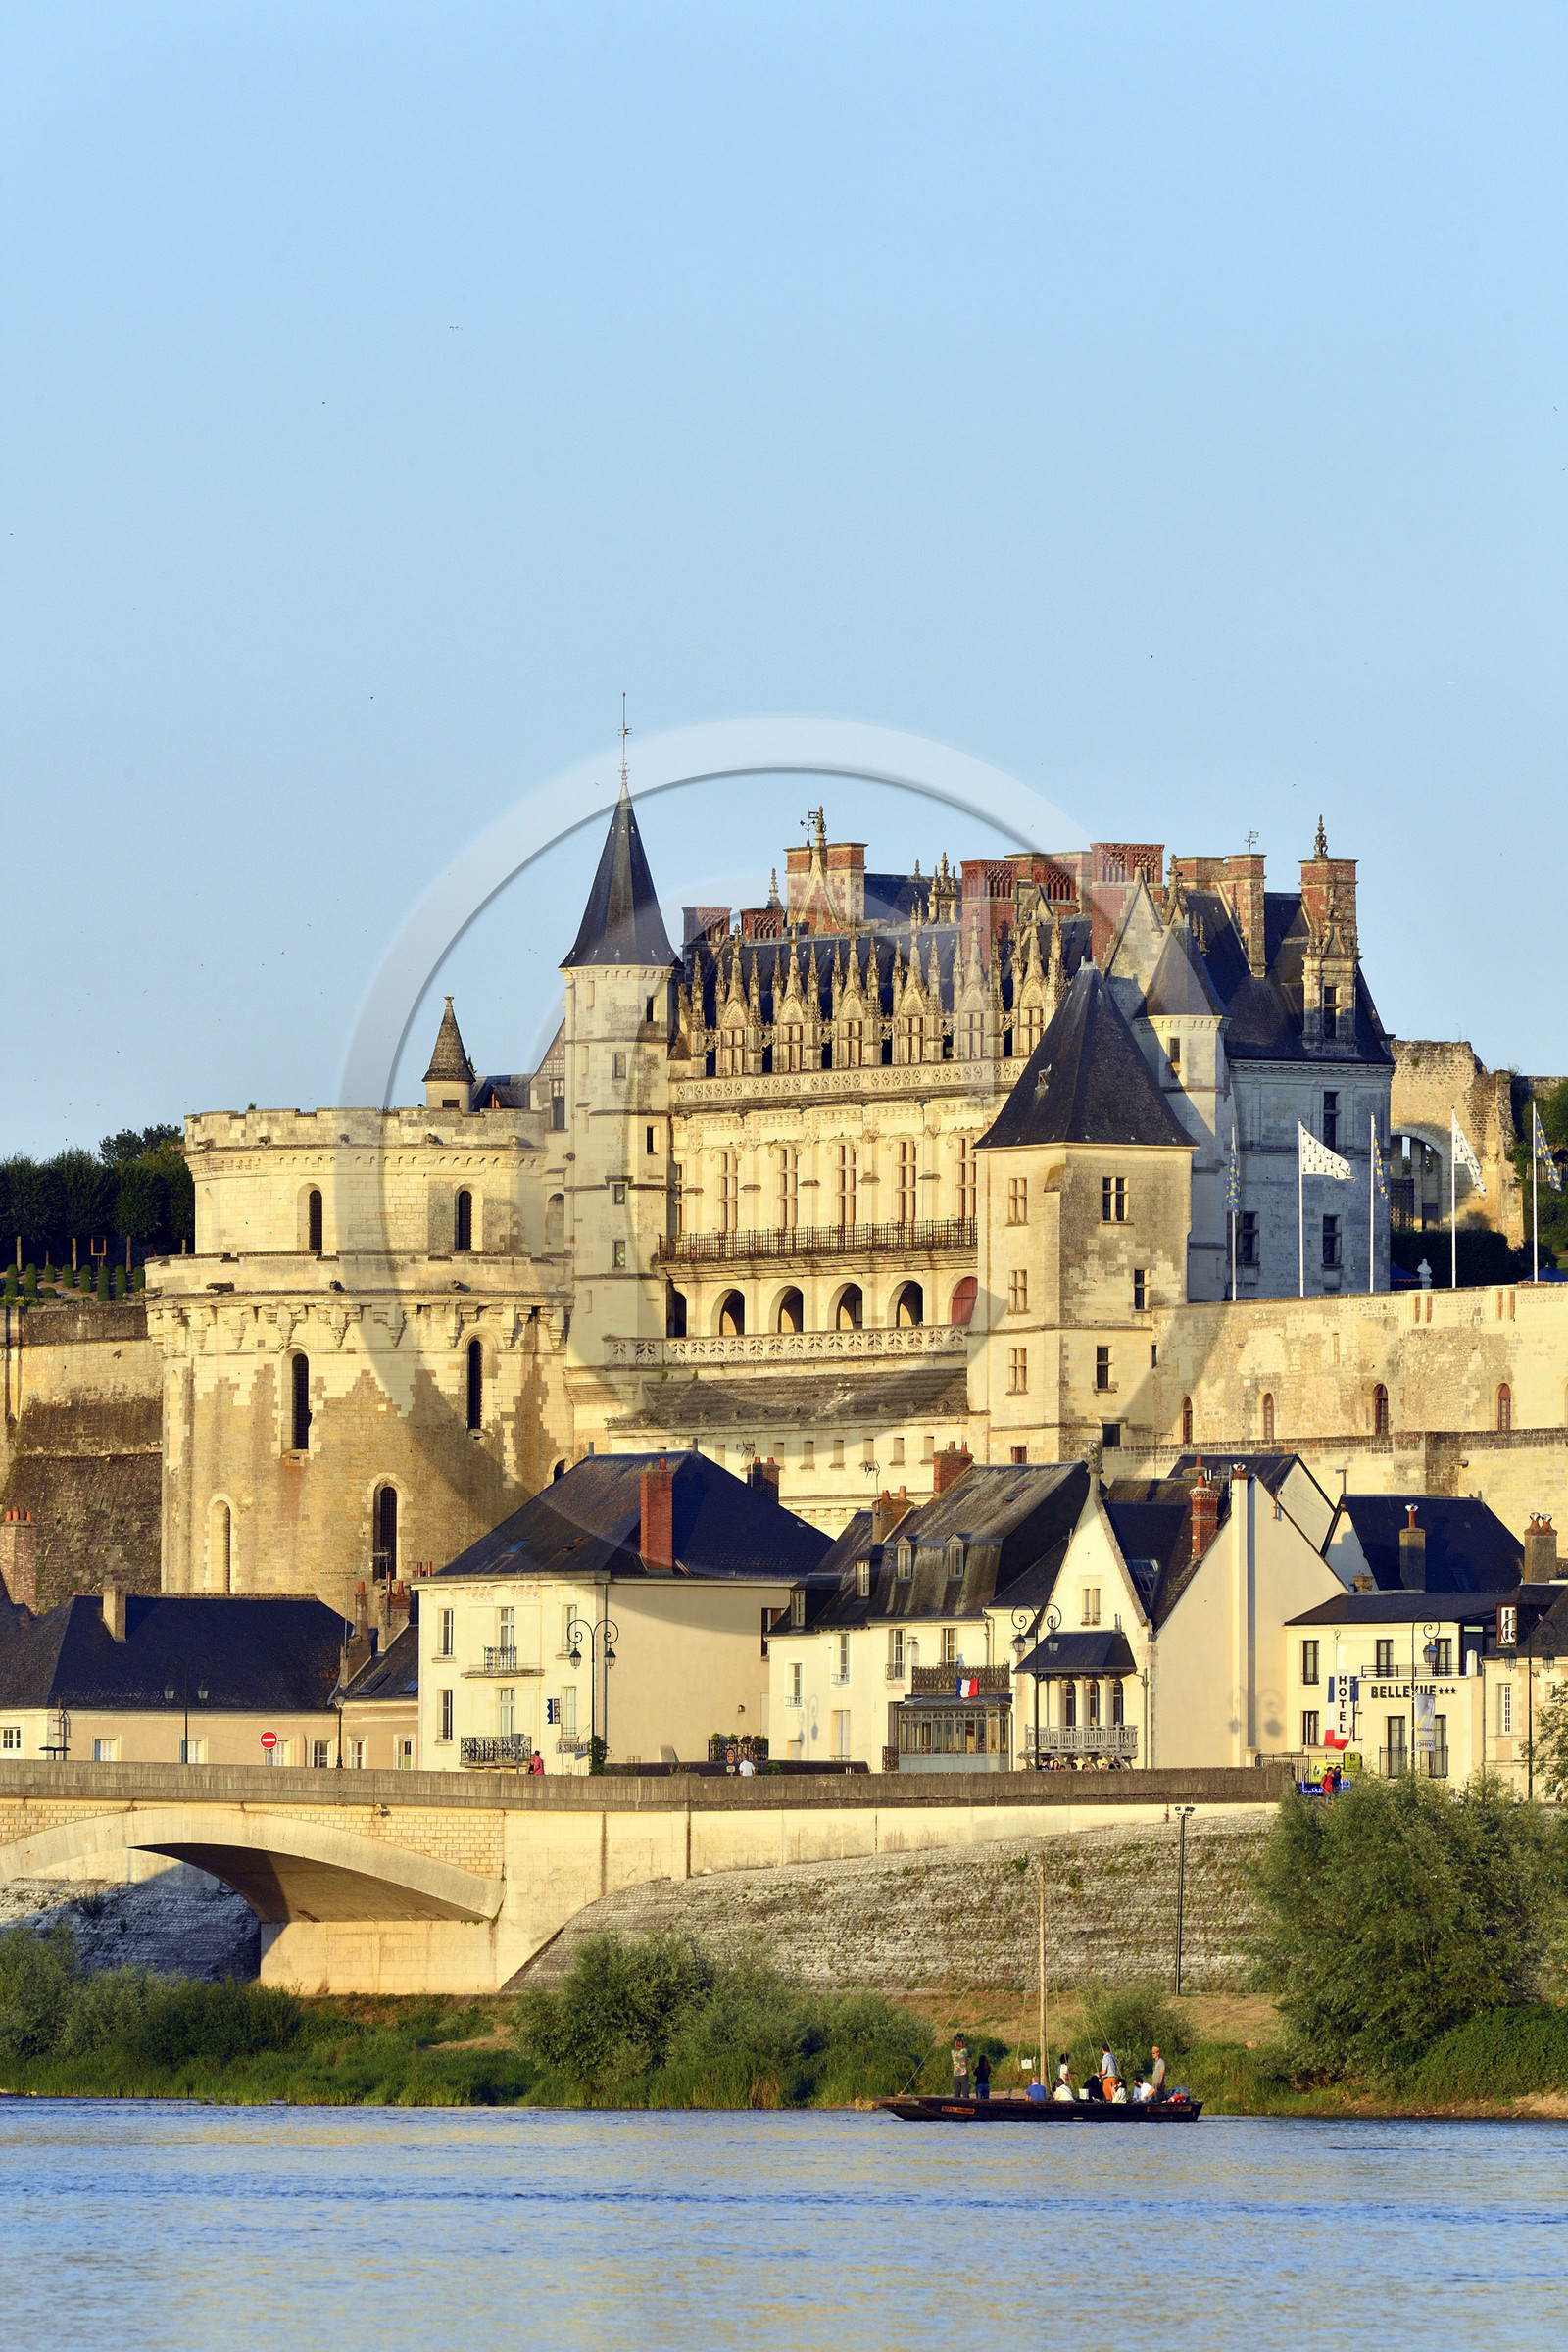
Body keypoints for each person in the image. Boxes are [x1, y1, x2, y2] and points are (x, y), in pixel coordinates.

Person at [952, 2034, 971, 2099]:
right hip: (963, 2073)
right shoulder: (965, 2051)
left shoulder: (953, 2052)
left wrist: (957, 2040)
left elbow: (954, 2048)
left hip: (956, 2074)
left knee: (956, 2094)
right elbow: (969, 2053)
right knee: (965, 2093)